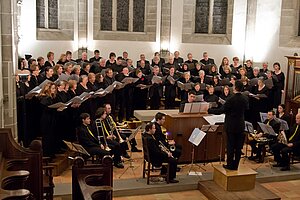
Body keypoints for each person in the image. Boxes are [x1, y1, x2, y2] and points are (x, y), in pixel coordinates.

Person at [222, 80, 249, 170]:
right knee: (238, 147)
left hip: (231, 125)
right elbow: (247, 108)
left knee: (230, 146)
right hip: (240, 125)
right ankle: (236, 165)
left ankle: (229, 165)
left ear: (235, 87)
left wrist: (209, 110)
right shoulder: (244, 98)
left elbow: (223, 110)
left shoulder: (231, 98)